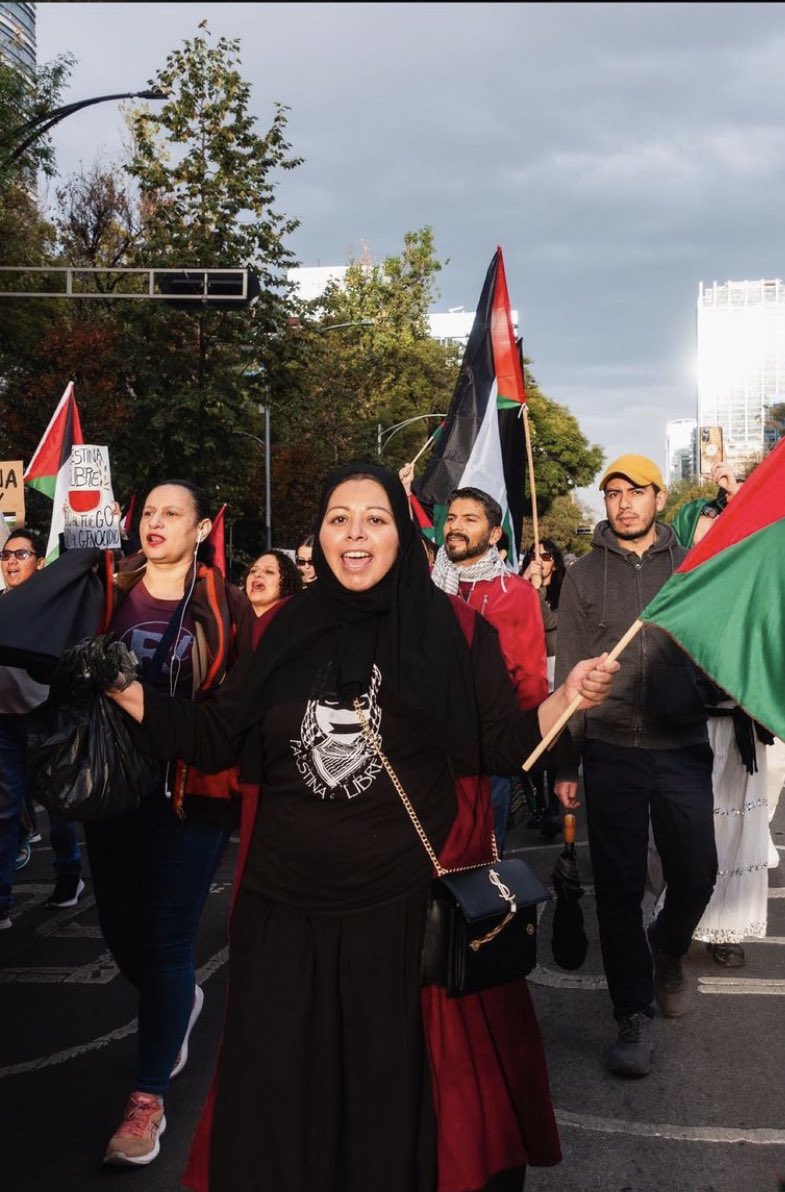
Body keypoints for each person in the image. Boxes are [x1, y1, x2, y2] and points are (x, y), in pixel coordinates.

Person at [106, 462, 618, 1192]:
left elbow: (501, 745)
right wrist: (125, 692)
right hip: (284, 912)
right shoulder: (276, 628)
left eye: (374, 518)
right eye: (338, 517)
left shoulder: (456, 630)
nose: (354, 533)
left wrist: (565, 695)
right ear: (318, 533)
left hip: (401, 916)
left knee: (390, 1107)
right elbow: (217, 738)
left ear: (403, 535)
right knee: (287, 1101)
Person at [85, 480, 250, 1167]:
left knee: (165, 938)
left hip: (191, 798)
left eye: (171, 513)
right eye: (147, 512)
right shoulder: (104, 593)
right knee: (123, 935)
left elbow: (232, 714)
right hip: (112, 792)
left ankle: (147, 1098)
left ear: (201, 527)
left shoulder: (226, 605)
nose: (155, 522)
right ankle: (178, 1001)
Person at [554, 454, 718, 1078]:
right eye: (613, 493)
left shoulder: (690, 569)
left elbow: (719, 638)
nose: (623, 503)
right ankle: (632, 1013)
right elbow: (568, 671)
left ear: (658, 497)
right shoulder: (581, 577)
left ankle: (669, 948)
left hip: (681, 746)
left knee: (697, 873)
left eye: (636, 492)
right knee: (618, 890)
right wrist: (566, 762)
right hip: (612, 751)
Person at [667, 462, 771, 968]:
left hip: (741, 731)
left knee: (738, 834)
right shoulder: (675, 594)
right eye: (707, 523)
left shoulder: (750, 590)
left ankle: (725, 927)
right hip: (690, 730)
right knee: (691, 833)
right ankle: (678, 923)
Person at [431, 487, 548, 851]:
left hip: (487, 751)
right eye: (451, 518)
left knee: (482, 857)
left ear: (495, 534)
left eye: (469, 519)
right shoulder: (422, 587)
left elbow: (529, 676)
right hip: (428, 746)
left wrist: (526, 745)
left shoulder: (515, 593)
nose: (455, 527)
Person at [0, 528, 85, 929]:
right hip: (4, 723)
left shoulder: (55, 610)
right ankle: (2, 899)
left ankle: (69, 878)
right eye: (6, 555)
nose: (12, 562)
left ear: (39, 562)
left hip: (44, 716)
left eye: (21, 554)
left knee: (58, 806)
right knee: (5, 811)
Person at [520, 538, 567, 837]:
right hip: (529, 671)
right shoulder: (520, 588)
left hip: (556, 673)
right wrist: (524, 583)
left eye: (546, 555)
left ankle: (553, 807)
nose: (541, 560)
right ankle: (537, 804)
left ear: (556, 561)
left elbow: (549, 621)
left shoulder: (566, 590)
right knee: (532, 742)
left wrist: (535, 589)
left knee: (553, 742)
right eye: (534, 556)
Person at [244, 549, 302, 619]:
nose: (257, 574)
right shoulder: (232, 621)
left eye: (269, 571)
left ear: (286, 581)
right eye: (253, 571)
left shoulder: (297, 623)